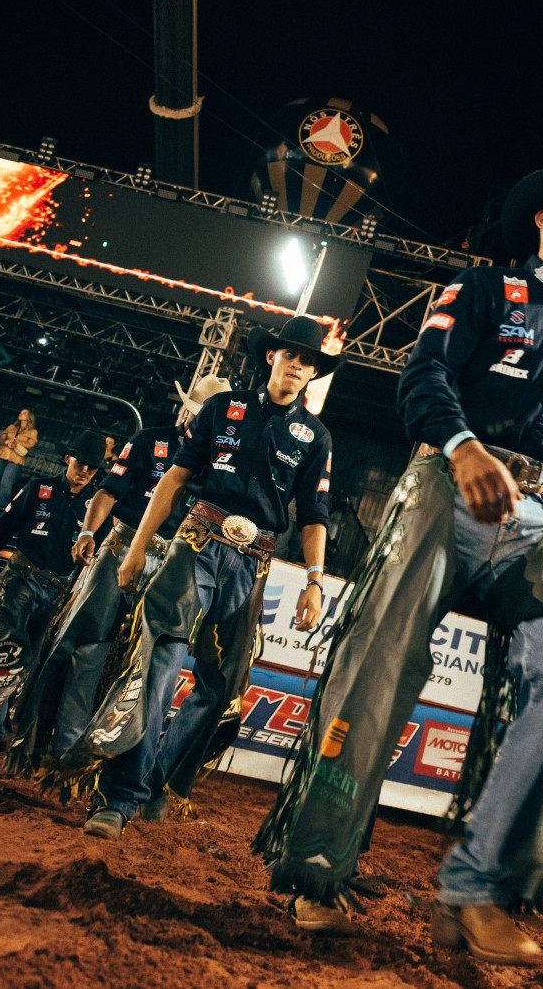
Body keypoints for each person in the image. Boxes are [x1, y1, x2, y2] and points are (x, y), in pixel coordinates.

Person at [257, 167, 543, 965]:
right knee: (380, 661)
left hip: (542, 515)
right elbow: (424, 375)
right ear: (542, 219)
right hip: (448, 483)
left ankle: (479, 886)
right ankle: (317, 871)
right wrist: (463, 444)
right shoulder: (480, 287)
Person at [85, 317, 337, 837]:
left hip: (255, 562)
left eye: (306, 360)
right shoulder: (223, 408)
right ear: (271, 357)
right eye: (289, 354)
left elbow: (314, 515)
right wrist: (136, 549)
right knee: (158, 661)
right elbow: (174, 480)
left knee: (221, 689)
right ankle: (120, 796)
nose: (296, 365)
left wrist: (315, 580)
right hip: (194, 545)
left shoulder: (315, 437)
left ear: (312, 373)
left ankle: (156, 782)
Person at [6, 375, 234, 781]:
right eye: (200, 413)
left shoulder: (222, 460)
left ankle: (107, 761)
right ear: (188, 412)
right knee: (85, 644)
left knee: (144, 663)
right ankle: (57, 746)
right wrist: (88, 532)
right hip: (124, 547)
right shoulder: (149, 441)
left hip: (177, 562)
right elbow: (108, 491)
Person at [0, 433, 109, 758]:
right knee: (6, 651)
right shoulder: (37, 488)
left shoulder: (98, 507)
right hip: (21, 577)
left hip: (62, 591)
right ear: (67, 459)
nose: (85, 470)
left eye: (92, 467)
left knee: (26, 662)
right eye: (81, 463)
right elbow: (1, 530)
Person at [0, 408, 39, 505]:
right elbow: (1, 438)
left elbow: (31, 444)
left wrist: (17, 442)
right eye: (21, 411)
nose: (21, 413)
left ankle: (0, 509)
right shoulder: (11, 426)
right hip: (1, 455)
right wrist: (6, 442)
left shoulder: (33, 431)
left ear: (29, 417)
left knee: (6, 485)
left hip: (16, 459)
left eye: (24, 413)